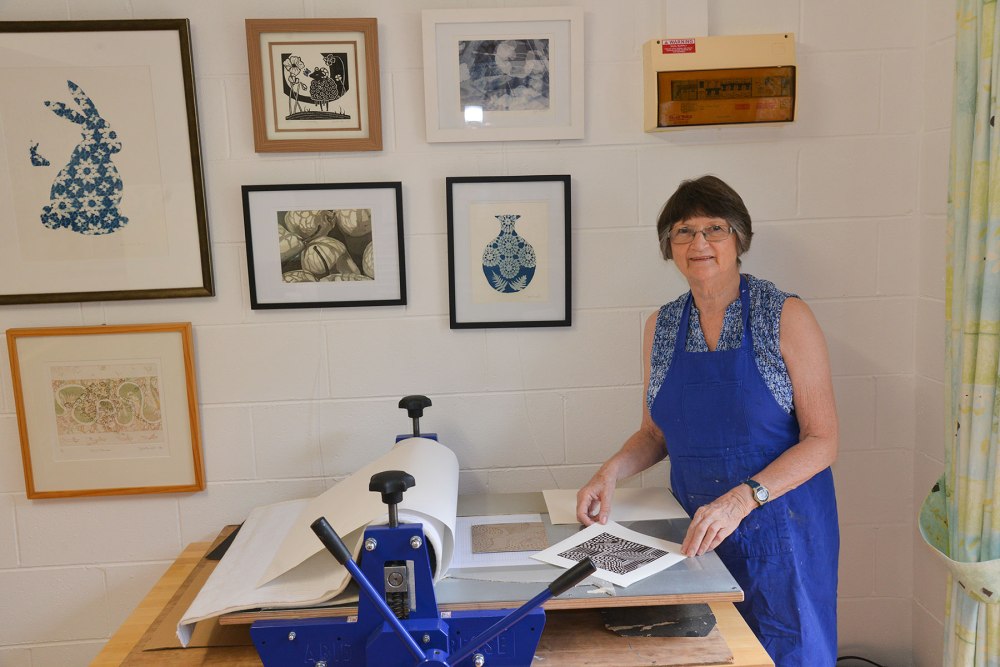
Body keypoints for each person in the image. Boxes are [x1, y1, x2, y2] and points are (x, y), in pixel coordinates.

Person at [576, 175, 839, 666]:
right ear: (668, 247)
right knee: (706, 655)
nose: (699, 243)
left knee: (788, 652)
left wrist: (743, 499)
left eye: (714, 229)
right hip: (697, 534)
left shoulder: (785, 316)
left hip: (781, 534)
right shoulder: (662, 325)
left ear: (738, 238)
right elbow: (656, 433)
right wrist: (609, 472)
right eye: (683, 231)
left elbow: (823, 441)